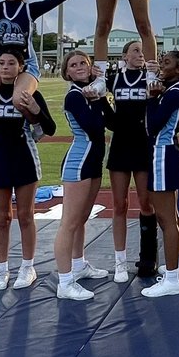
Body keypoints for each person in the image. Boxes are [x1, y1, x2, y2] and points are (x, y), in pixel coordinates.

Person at [0, 45, 57, 291]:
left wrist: (36, 111)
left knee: (26, 216)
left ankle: (28, 267)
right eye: (2, 63)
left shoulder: (29, 94)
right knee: (2, 218)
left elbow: (50, 129)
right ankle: (1, 269)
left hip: (24, 157)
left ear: (21, 67)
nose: (6, 67)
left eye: (11, 63)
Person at [54, 50, 111, 300]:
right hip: (79, 162)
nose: (79, 67)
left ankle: (79, 265)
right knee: (69, 223)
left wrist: (100, 94)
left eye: (83, 63)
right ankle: (65, 282)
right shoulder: (75, 96)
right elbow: (94, 127)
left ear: (90, 67)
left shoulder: (90, 92)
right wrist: (96, 98)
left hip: (93, 161)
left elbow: (113, 123)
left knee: (81, 219)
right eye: (73, 65)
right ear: (67, 72)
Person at [101, 39, 156, 282]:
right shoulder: (114, 79)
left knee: (146, 203)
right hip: (121, 145)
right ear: (124, 56)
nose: (140, 54)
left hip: (143, 145)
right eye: (135, 50)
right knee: (119, 204)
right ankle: (120, 262)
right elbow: (108, 114)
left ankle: (148, 257)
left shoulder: (150, 78)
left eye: (142, 51)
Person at [141, 51, 179, 297]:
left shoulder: (174, 93)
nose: (162, 65)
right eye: (161, 61)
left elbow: (152, 126)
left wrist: (152, 98)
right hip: (166, 153)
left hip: (163, 153)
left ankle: (172, 279)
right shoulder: (174, 89)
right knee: (172, 216)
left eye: (167, 62)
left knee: (166, 219)